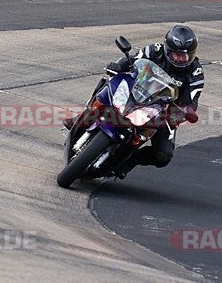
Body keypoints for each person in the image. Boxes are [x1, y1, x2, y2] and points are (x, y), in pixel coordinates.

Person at [66, 24, 204, 179]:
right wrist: (118, 66)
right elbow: (133, 60)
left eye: (185, 56)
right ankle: (84, 117)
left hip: (162, 109)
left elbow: (192, 100)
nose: (180, 59)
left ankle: (127, 162)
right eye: (176, 54)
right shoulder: (154, 50)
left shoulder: (195, 71)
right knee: (110, 83)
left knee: (163, 155)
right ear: (167, 49)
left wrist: (184, 112)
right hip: (136, 92)